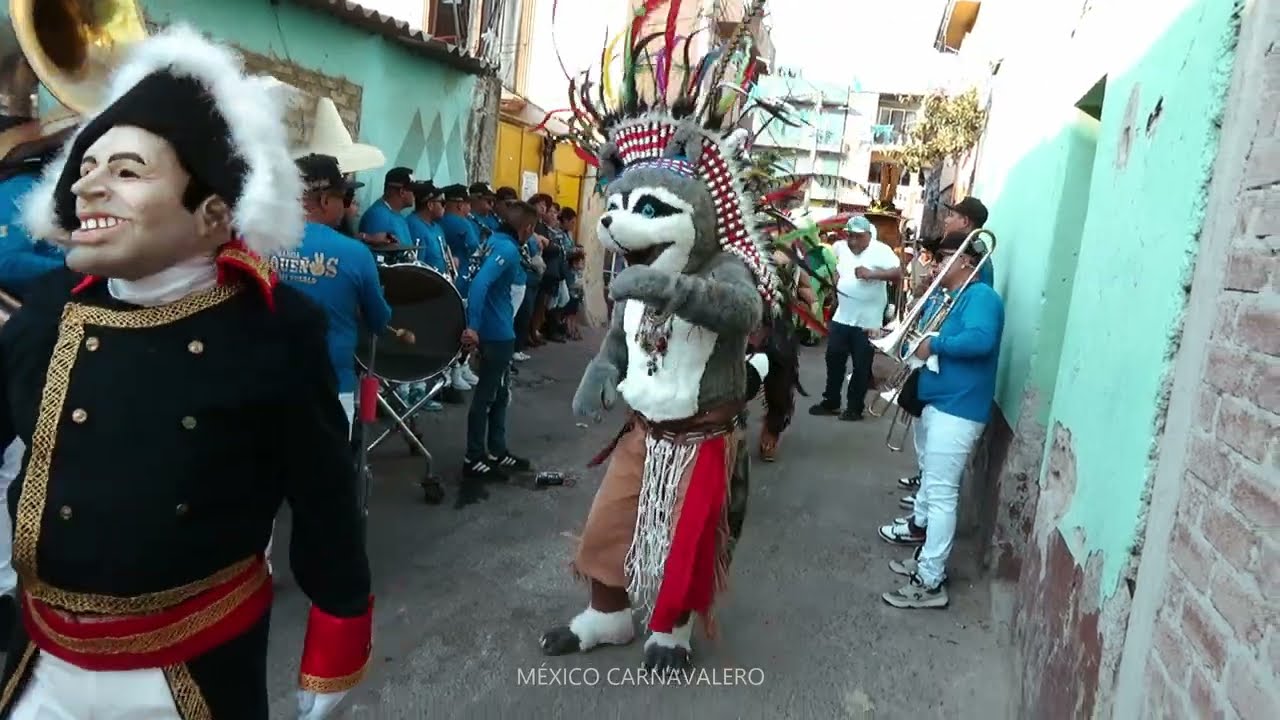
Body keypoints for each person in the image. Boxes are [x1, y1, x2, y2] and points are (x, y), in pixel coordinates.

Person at [0, 25, 372, 718]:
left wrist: (339, 627)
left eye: (128, 171)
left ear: (212, 213)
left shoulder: (273, 327)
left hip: (188, 670)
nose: (89, 186)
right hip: (39, 661)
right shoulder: (48, 310)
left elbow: (323, 493)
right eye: (87, 167)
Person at [878, 230, 1003, 609]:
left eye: (944, 256)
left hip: (959, 409)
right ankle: (927, 561)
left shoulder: (981, 297)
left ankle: (930, 580)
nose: (935, 264)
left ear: (966, 260)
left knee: (943, 492)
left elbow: (982, 340)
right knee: (933, 488)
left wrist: (935, 344)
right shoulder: (954, 297)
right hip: (943, 403)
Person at [460, 201, 536, 485]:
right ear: (526, 228)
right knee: (487, 396)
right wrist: (474, 327)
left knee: (501, 393)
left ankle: (497, 449)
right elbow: (479, 283)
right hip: (496, 333)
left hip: (499, 329)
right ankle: (474, 457)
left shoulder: (491, 242)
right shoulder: (507, 249)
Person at [810, 215, 902, 421]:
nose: (853, 241)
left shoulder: (881, 251)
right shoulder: (841, 248)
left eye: (858, 237)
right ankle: (831, 401)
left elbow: (898, 274)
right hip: (843, 316)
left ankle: (854, 407)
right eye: (850, 236)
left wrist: (872, 274)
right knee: (833, 358)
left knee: (861, 365)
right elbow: (835, 267)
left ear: (868, 235)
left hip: (868, 320)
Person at [358, 166, 415, 248]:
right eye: (413, 190)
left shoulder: (397, 214)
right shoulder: (378, 216)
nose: (415, 194)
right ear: (402, 192)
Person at [941, 196, 993, 286]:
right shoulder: (979, 247)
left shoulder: (974, 251)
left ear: (965, 222)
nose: (946, 220)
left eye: (951, 215)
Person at [407, 181, 452, 276]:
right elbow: (416, 267)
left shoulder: (437, 227)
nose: (445, 207)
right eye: (442, 203)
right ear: (430, 205)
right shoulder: (414, 226)